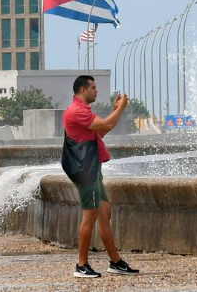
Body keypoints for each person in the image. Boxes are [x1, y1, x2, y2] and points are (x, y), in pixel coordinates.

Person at [62, 75, 139, 278]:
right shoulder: (77, 111)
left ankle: (115, 262)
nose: (97, 91)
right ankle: (81, 265)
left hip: (92, 167)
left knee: (104, 213)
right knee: (91, 215)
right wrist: (120, 109)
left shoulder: (83, 111)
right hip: (85, 170)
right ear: (82, 90)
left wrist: (114, 111)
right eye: (93, 88)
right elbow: (106, 125)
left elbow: (100, 132)